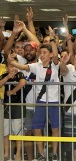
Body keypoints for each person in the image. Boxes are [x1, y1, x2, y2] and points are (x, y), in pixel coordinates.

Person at [9, 26, 60, 161]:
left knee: (55, 128)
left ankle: (54, 153)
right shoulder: (36, 66)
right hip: (40, 102)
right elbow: (23, 67)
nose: (42, 54)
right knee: (37, 128)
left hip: (54, 102)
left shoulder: (55, 65)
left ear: (50, 55)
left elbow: (55, 55)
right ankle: (41, 153)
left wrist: (53, 40)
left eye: (45, 52)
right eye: (41, 52)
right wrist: (12, 61)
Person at [0, 62, 26, 161]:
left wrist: (13, 91)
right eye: (11, 66)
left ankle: (18, 154)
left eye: (15, 66)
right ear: (6, 67)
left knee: (18, 131)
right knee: (5, 131)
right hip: (6, 105)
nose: (13, 68)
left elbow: (23, 82)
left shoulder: (20, 74)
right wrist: (7, 77)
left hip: (18, 105)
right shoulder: (4, 75)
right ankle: (7, 153)